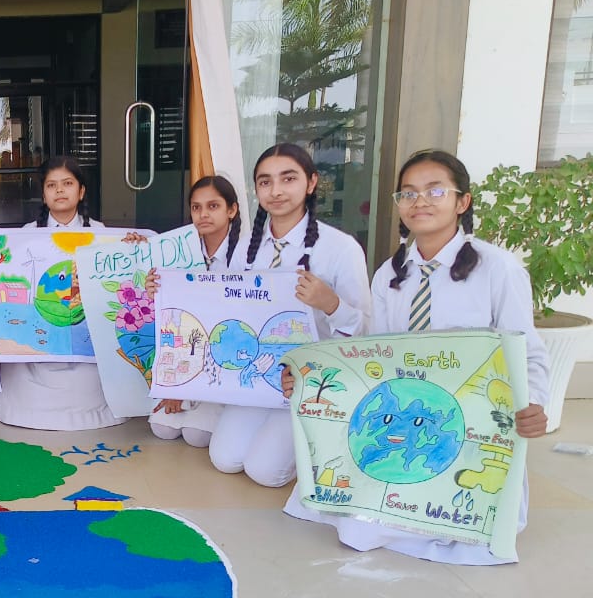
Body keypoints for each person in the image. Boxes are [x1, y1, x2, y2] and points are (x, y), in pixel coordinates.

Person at [284, 149, 550, 564]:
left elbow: (527, 350)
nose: (420, 201)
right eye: (408, 193)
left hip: (469, 426)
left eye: (435, 191)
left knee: (446, 529)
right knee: (344, 520)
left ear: (462, 202)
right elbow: (373, 356)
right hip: (407, 423)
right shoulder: (390, 274)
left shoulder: (498, 269)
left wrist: (532, 401)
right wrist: (308, 379)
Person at [208, 143, 372, 487]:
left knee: (265, 471)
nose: (276, 190)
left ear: (311, 183)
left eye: (288, 178)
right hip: (259, 373)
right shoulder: (246, 246)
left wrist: (330, 303)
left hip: (310, 381)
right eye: (265, 182)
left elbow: (365, 331)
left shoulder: (340, 248)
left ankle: (325, 440)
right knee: (225, 458)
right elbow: (219, 300)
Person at [0, 155, 125, 430]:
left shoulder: (103, 234)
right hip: (43, 333)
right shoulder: (25, 236)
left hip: (85, 335)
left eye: (67, 183)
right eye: (51, 185)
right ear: (43, 195)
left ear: (81, 191)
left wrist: (132, 246)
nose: (59, 190)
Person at [146, 175, 244, 447]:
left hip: (227, 357)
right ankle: (188, 394)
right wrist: (154, 291)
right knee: (162, 428)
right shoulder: (179, 253)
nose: (203, 214)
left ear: (232, 210)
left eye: (213, 206)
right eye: (196, 207)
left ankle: (217, 403)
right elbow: (174, 318)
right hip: (188, 352)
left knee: (196, 435)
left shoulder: (247, 254)